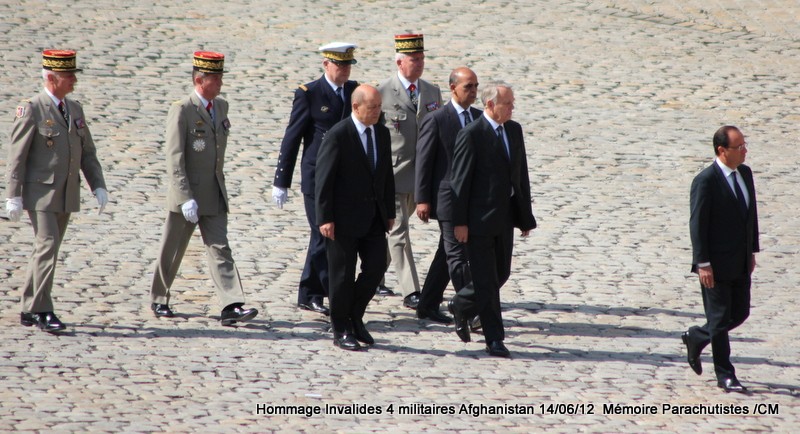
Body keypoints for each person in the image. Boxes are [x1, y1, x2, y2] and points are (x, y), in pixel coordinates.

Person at [150, 51, 258, 326]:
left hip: (213, 191)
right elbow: (175, 156)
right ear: (200, 80)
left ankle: (232, 305)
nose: (221, 82)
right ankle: (159, 298)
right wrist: (185, 196)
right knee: (172, 248)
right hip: (187, 193)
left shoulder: (221, 106)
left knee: (220, 247)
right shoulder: (182, 110)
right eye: (216, 77)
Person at [5, 50, 108, 333]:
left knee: (46, 248)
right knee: (47, 245)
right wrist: (13, 194)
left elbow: (87, 152)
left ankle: (28, 305)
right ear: (51, 78)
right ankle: (42, 309)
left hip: (66, 192)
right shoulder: (33, 109)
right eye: (68, 76)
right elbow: (17, 156)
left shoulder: (74, 109)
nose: (74, 80)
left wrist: (97, 184)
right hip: (40, 193)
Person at [449, 81, 536, 358]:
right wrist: (459, 223)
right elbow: (459, 183)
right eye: (507, 103)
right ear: (490, 105)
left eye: (512, 103)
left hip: (505, 217)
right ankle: (494, 338)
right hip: (478, 220)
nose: (512, 108)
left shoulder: (514, 130)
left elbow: (520, 175)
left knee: (501, 274)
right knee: (487, 281)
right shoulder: (472, 134)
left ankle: (461, 302)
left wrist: (525, 217)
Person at [272, 42, 359, 316]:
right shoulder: (309, 94)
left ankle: (312, 291)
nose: (344, 70)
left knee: (327, 236)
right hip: (316, 177)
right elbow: (293, 137)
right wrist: (281, 180)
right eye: (339, 65)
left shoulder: (354, 91)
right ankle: (314, 293)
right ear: (326, 65)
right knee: (321, 233)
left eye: (348, 65)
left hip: (343, 178)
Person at [315, 85, 395, 351]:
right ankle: (340, 328)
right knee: (341, 276)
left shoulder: (381, 133)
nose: (376, 112)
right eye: (372, 108)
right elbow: (324, 180)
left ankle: (355, 314)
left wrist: (390, 211)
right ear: (355, 107)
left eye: (379, 107)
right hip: (342, 219)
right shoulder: (339, 135)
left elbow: (386, 175)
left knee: (376, 266)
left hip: (373, 217)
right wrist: (325, 217)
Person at [682, 125, 759, 393]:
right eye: (739, 147)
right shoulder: (706, 181)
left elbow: (750, 215)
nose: (744, 150)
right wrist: (702, 263)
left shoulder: (745, 174)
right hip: (713, 265)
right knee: (719, 318)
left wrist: (751, 251)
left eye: (744, 144)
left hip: (739, 261)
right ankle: (725, 374)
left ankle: (696, 336)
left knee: (739, 313)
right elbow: (697, 225)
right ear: (721, 151)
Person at [377, 33, 442, 309]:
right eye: (414, 59)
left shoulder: (431, 91)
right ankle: (412, 291)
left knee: (394, 233)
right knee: (400, 232)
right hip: (392, 175)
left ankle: (373, 277)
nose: (419, 63)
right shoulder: (382, 92)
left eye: (421, 58)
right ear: (399, 62)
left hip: (421, 177)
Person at [414, 67, 481, 324]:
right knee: (457, 255)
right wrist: (422, 199)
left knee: (446, 253)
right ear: (453, 88)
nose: (473, 91)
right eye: (468, 87)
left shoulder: (478, 117)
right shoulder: (437, 119)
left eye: (475, 86)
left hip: (470, 199)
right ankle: (471, 308)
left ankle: (428, 303)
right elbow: (424, 161)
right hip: (446, 199)